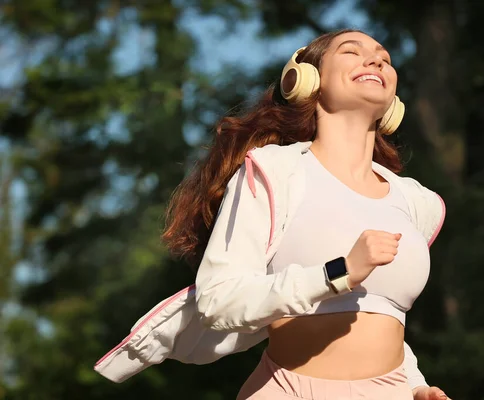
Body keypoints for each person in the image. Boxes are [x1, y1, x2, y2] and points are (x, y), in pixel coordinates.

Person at [94, 29, 450, 400]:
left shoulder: (414, 201)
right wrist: (338, 272)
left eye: (384, 58)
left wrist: (415, 384)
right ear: (307, 80)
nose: (376, 60)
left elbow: (382, 314)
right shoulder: (274, 172)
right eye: (351, 51)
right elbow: (218, 301)